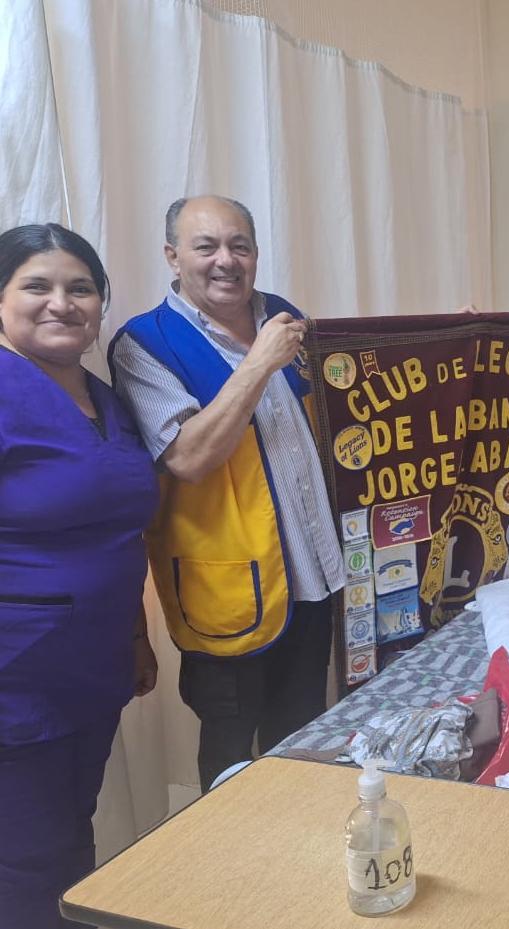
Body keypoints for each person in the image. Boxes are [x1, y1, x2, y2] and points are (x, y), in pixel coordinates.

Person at [109, 196, 345, 791]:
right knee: (231, 757)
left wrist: (444, 338)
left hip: (315, 578)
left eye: (239, 246)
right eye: (206, 246)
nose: (226, 260)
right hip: (227, 589)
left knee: (303, 739)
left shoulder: (283, 316)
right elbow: (188, 458)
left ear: (256, 254)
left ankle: (301, 843)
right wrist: (257, 364)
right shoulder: (145, 343)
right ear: (173, 257)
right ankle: (230, 852)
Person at [0, 224, 159, 929]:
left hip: (94, 670)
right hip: (17, 678)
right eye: (36, 285)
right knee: (25, 860)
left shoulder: (104, 397)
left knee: (70, 834)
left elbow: (120, 532)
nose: (61, 303)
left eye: (81, 288)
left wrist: (137, 636)